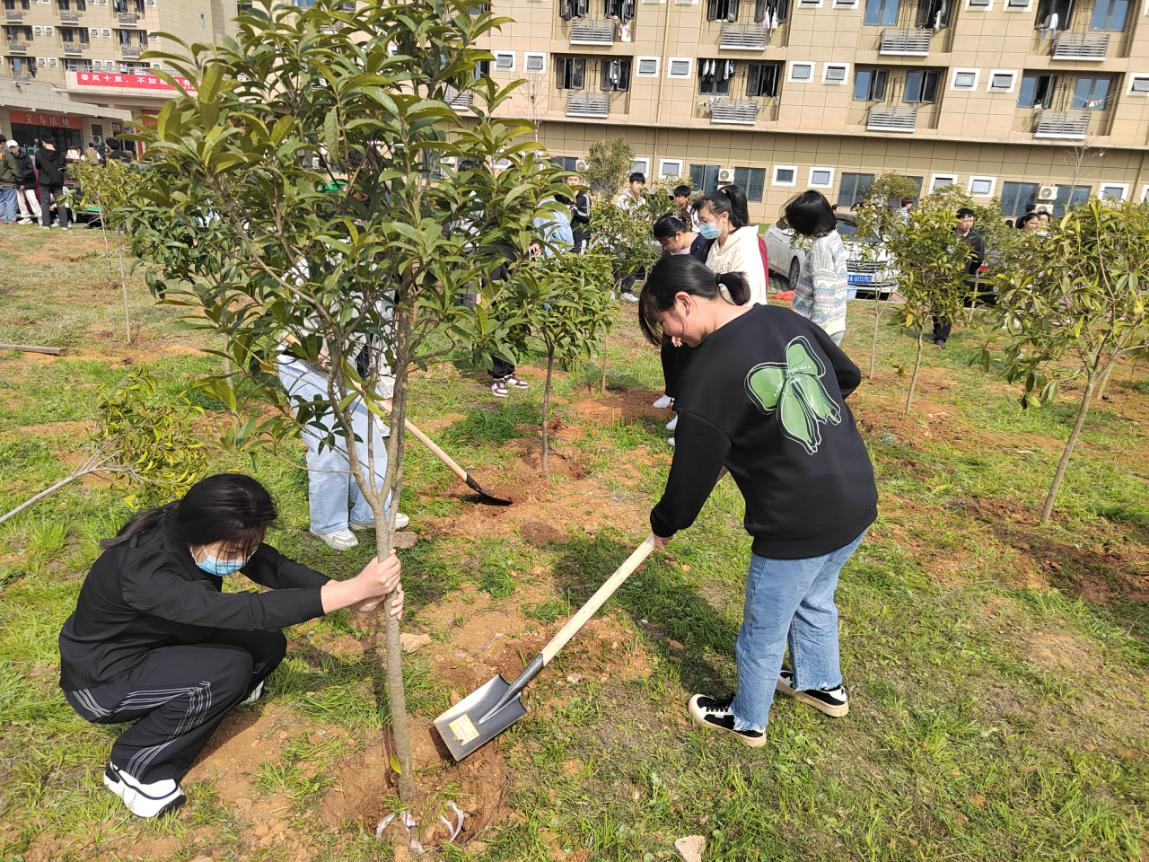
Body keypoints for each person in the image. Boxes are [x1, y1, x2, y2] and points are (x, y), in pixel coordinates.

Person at [58, 473, 405, 818]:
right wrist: (351, 592)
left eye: (249, 547)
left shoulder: (193, 524)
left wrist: (349, 591)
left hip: (166, 638)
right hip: (103, 680)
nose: (244, 558)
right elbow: (246, 610)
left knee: (266, 642)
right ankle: (133, 767)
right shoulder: (147, 573)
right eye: (237, 551)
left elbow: (271, 565)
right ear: (200, 534)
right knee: (228, 669)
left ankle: (213, 695)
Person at [637, 255, 877, 748]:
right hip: (854, 498)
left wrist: (666, 523)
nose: (675, 340)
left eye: (668, 327)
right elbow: (845, 376)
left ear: (684, 302)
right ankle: (822, 685)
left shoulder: (709, 372)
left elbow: (691, 474)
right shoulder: (782, 318)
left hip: (797, 519)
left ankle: (747, 718)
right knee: (815, 597)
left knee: (763, 628)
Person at [488, 198, 574, 397]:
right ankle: (497, 376)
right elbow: (491, 266)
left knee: (515, 329)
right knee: (498, 328)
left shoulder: (523, 234)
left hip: (518, 283)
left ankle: (509, 372)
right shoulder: (499, 236)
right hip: (499, 282)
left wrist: (534, 248)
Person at [650, 213, 706, 418]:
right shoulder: (669, 253)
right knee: (668, 351)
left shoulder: (702, 246)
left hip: (692, 312)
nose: (665, 247)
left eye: (666, 242)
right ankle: (670, 392)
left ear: (678, 235)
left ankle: (682, 407)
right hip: (671, 309)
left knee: (686, 358)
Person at [785, 191, 849, 344]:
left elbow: (824, 296)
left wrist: (814, 335)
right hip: (835, 322)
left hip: (819, 329)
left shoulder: (821, 247)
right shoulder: (833, 236)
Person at [697, 185, 768, 306]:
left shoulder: (746, 242)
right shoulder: (714, 244)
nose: (701, 226)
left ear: (724, 216)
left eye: (705, 221)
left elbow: (744, 291)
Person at [932, 207, 984, 347]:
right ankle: (937, 330)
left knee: (950, 305)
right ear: (957, 220)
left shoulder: (975, 239)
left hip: (959, 278)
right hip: (941, 275)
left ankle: (941, 337)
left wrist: (967, 272)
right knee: (937, 304)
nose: (968, 223)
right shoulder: (946, 235)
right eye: (965, 220)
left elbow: (978, 259)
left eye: (971, 221)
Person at [614, 172, 648, 302]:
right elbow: (618, 218)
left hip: (636, 240)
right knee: (618, 263)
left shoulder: (643, 201)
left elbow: (645, 219)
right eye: (637, 183)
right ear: (630, 184)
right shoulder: (622, 199)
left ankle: (626, 291)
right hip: (622, 238)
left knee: (632, 265)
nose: (640, 186)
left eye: (642, 183)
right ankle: (612, 289)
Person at [35, 136, 69, 230]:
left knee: (45, 203)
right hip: (57, 181)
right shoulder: (61, 155)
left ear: (43, 142)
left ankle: (46, 224)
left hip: (44, 181)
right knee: (60, 203)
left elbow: (37, 166)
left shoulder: (39, 153)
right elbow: (63, 168)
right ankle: (64, 225)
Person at [13, 141, 41, 224]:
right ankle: (26, 218)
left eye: (14, 147)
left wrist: (23, 183)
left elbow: (30, 170)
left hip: (28, 183)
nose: (13, 149)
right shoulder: (10, 158)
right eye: (11, 147)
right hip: (17, 183)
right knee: (21, 201)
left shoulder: (25, 156)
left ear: (18, 147)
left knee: (32, 200)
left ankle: (40, 217)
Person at [566, 173, 591, 254]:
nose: (573, 182)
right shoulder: (564, 197)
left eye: (575, 180)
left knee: (579, 262)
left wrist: (573, 209)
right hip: (567, 237)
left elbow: (587, 215)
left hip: (581, 237)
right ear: (566, 181)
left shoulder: (584, 197)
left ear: (580, 182)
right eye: (570, 180)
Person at [0, 139, 19, 224]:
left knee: (1, 201)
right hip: (8, 181)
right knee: (10, 201)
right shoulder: (6, 154)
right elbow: (14, 168)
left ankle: (2, 219)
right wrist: (19, 179)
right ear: (3, 143)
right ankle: (11, 220)